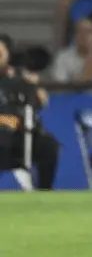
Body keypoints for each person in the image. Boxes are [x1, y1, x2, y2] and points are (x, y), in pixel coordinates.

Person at [0, 35, 57, 190]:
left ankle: (44, 192)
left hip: (20, 137)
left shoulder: (19, 78)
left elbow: (41, 103)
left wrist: (33, 86)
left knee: (48, 146)